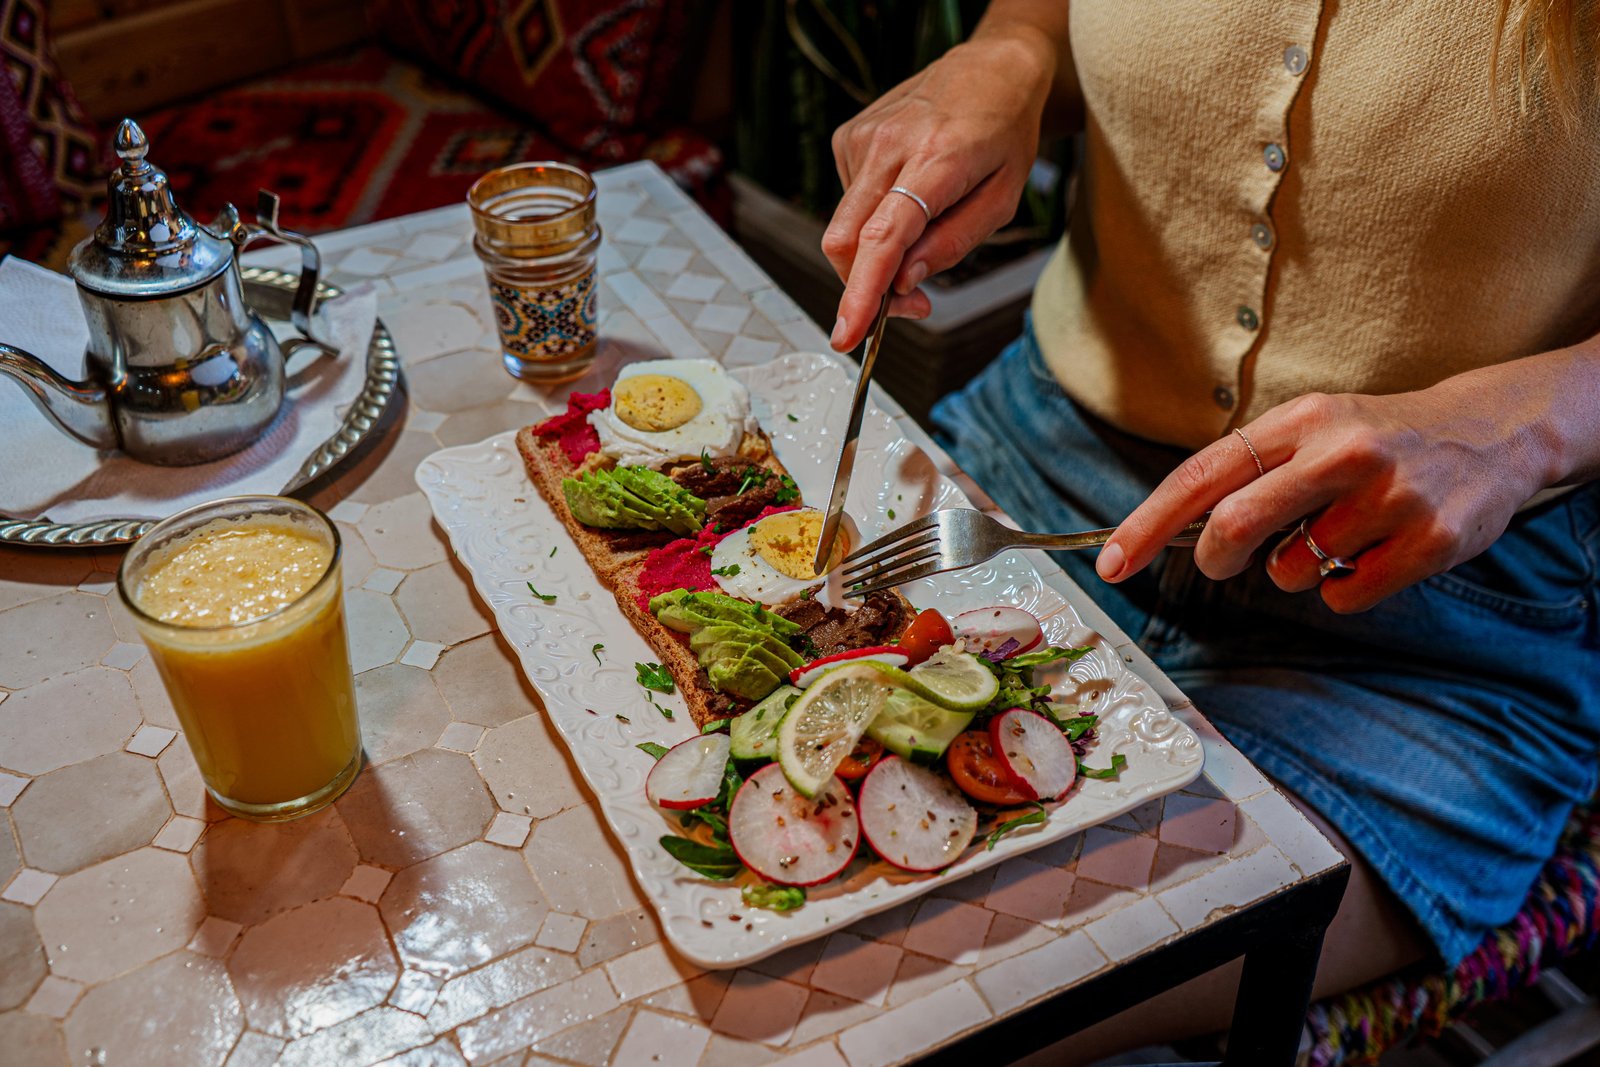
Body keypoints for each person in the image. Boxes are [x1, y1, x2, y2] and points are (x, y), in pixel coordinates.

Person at [822, 1, 1600, 1062]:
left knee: (885, 1014)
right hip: (1025, 483)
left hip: (1425, 642)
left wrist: (1524, 428)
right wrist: (1012, 50)